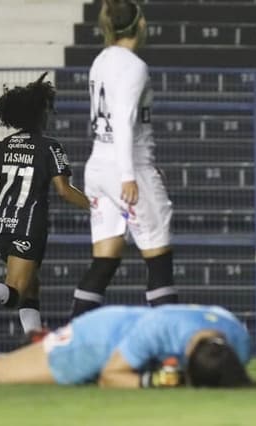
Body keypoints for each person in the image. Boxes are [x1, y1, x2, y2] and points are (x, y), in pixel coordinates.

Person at [0, 73, 90, 336]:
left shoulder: (1, 146)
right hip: (28, 223)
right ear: (39, 115)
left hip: (1, 225)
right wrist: (97, 207)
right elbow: (65, 191)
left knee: (31, 289)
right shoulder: (49, 147)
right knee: (15, 292)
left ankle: (33, 342)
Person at [70, 0, 177, 318]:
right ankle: (170, 356)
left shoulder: (100, 60)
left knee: (104, 262)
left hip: (98, 169)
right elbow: (122, 118)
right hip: (127, 171)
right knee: (159, 262)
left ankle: (71, 346)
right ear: (140, 24)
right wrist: (130, 175)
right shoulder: (134, 66)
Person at [0, 304, 254, 388]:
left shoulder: (240, 342)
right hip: (97, 338)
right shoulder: (159, 330)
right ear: (186, 355)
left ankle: (45, 342)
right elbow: (111, 376)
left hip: (129, 328)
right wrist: (157, 381)